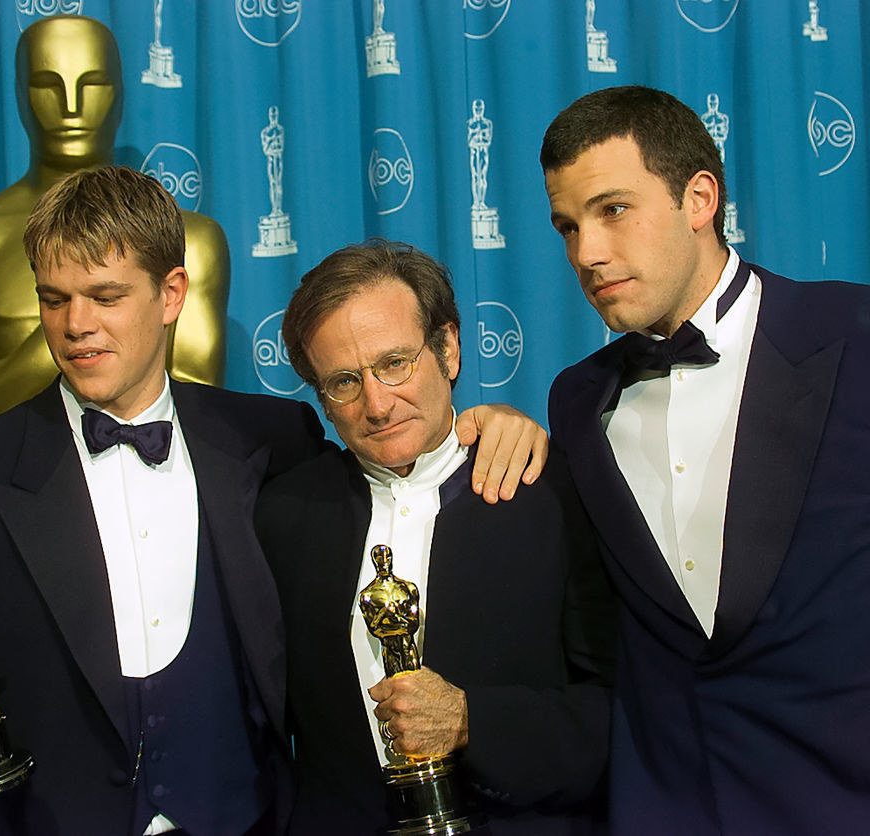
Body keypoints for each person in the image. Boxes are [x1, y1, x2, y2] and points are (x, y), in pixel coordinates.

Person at [0, 167, 548, 835]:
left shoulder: (273, 439)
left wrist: (484, 427)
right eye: (54, 298)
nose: (75, 325)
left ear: (172, 293)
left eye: (105, 295)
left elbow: (396, 472)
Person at [542, 85, 870, 833]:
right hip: (670, 806)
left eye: (612, 210)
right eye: (567, 226)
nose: (586, 253)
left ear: (698, 199)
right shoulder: (577, 402)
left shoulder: (854, 334)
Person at [255, 240, 615, 835]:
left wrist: (475, 721)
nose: (377, 403)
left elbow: (624, 713)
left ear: (448, 348)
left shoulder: (552, 493)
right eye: (344, 381)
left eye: (396, 363)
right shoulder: (282, 517)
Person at [0, 14, 230, 434]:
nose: (71, 106)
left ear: (121, 95)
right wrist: (79, 332)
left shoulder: (193, 240)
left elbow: (198, 402)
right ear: (18, 95)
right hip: (13, 486)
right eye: (48, 85)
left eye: (93, 85)